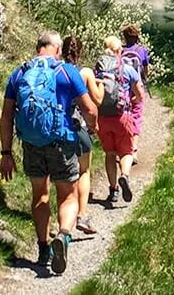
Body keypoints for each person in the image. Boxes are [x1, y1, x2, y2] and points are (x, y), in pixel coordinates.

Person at [0, 31, 97, 275]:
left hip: (31, 143)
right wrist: (91, 129)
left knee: (39, 195)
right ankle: (63, 236)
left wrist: (6, 153)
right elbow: (90, 109)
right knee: (68, 195)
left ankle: (43, 249)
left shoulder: (19, 73)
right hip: (62, 141)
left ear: (37, 47)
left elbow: (6, 116)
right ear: (58, 49)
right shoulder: (66, 71)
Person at [62, 36, 104, 235]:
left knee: (62, 175)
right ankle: (82, 215)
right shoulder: (84, 72)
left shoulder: (56, 71)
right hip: (78, 128)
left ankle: (62, 219)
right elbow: (96, 101)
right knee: (84, 170)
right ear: (80, 52)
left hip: (58, 129)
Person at [96, 36, 145, 205]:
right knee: (126, 151)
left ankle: (113, 190)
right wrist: (133, 102)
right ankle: (124, 175)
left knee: (110, 153)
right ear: (119, 51)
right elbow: (140, 95)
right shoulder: (127, 68)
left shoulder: (99, 70)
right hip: (121, 116)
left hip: (103, 118)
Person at [120, 25, 151, 159]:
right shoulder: (141, 50)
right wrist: (145, 78)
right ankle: (134, 150)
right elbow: (145, 68)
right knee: (136, 116)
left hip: (124, 88)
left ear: (125, 37)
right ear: (137, 37)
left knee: (124, 115)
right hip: (137, 87)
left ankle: (123, 148)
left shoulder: (120, 50)